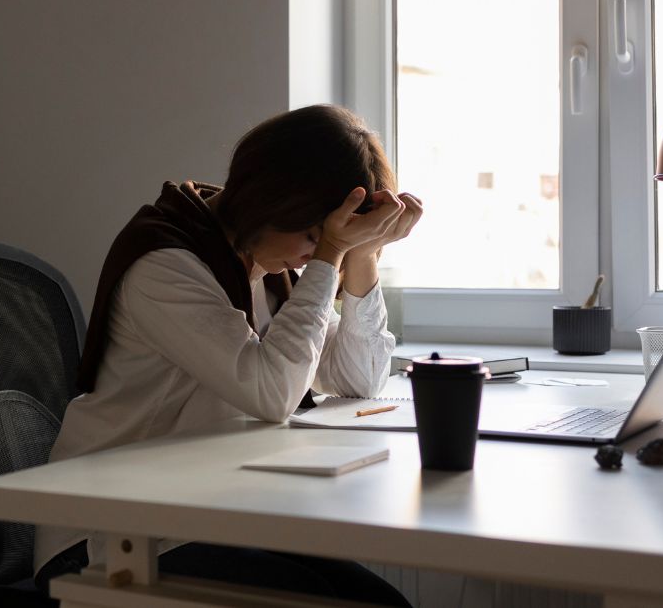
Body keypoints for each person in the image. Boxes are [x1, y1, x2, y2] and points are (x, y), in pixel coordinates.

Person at [34, 105, 422, 605]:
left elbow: (358, 379)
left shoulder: (269, 267)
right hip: (107, 532)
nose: (313, 253)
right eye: (312, 234)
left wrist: (362, 254)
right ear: (273, 200)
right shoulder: (166, 263)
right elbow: (271, 393)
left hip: (201, 513)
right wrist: (329, 256)